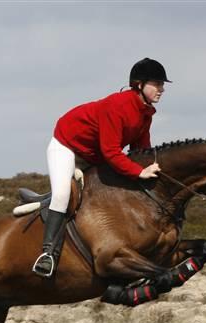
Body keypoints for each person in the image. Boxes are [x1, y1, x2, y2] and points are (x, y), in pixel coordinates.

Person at [32, 58, 171, 277]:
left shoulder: (146, 113)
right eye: (157, 83)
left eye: (163, 85)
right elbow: (111, 152)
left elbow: (140, 151)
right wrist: (138, 172)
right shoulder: (117, 106)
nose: (162, 89)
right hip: (67, 146)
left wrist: (150, 168)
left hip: (94, 155)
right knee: (62, 195)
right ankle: (48, 254)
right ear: (139, 84)